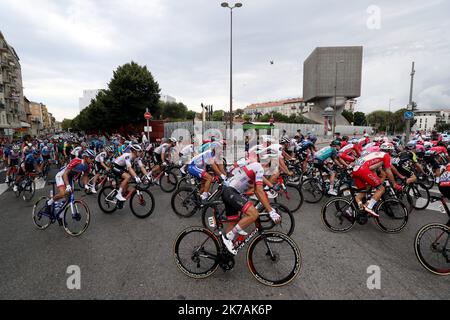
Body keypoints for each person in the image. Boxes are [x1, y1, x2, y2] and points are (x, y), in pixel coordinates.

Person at [220, 152, 280, 255]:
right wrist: (271, 211)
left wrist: (270, 189)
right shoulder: (259, 168)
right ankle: (228, 237)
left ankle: (224, 254)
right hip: (231, 191)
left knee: (233, 222)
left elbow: (257, 191)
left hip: (228, 190)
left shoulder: (254, 165)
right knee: (253, 213)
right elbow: (260, 191)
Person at [352, 143, 402, 216]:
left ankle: (357, 209)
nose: (392, 152)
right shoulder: (386, 155)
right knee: (381, 189)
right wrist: (394, 183)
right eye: (391, 151)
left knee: (363, 192)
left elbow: (373, 169)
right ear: (389, 150)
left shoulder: (375, 153)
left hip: (356, 170)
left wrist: (376, 180)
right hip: (363, 170)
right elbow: (388, 170)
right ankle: (369, 207)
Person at [47, 150, 96, 221]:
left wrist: (86, 185)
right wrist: (67, 185)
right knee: (63, 193)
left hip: (70, 178)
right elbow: (65, 174)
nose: (92, 159)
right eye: (91, 158)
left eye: (93, 158)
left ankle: (60, 216)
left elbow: (85, 176)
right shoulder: (76, 161)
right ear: (85, 157)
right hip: (62, 175)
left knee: (68, 198)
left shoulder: (88, 166)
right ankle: (49, 202)